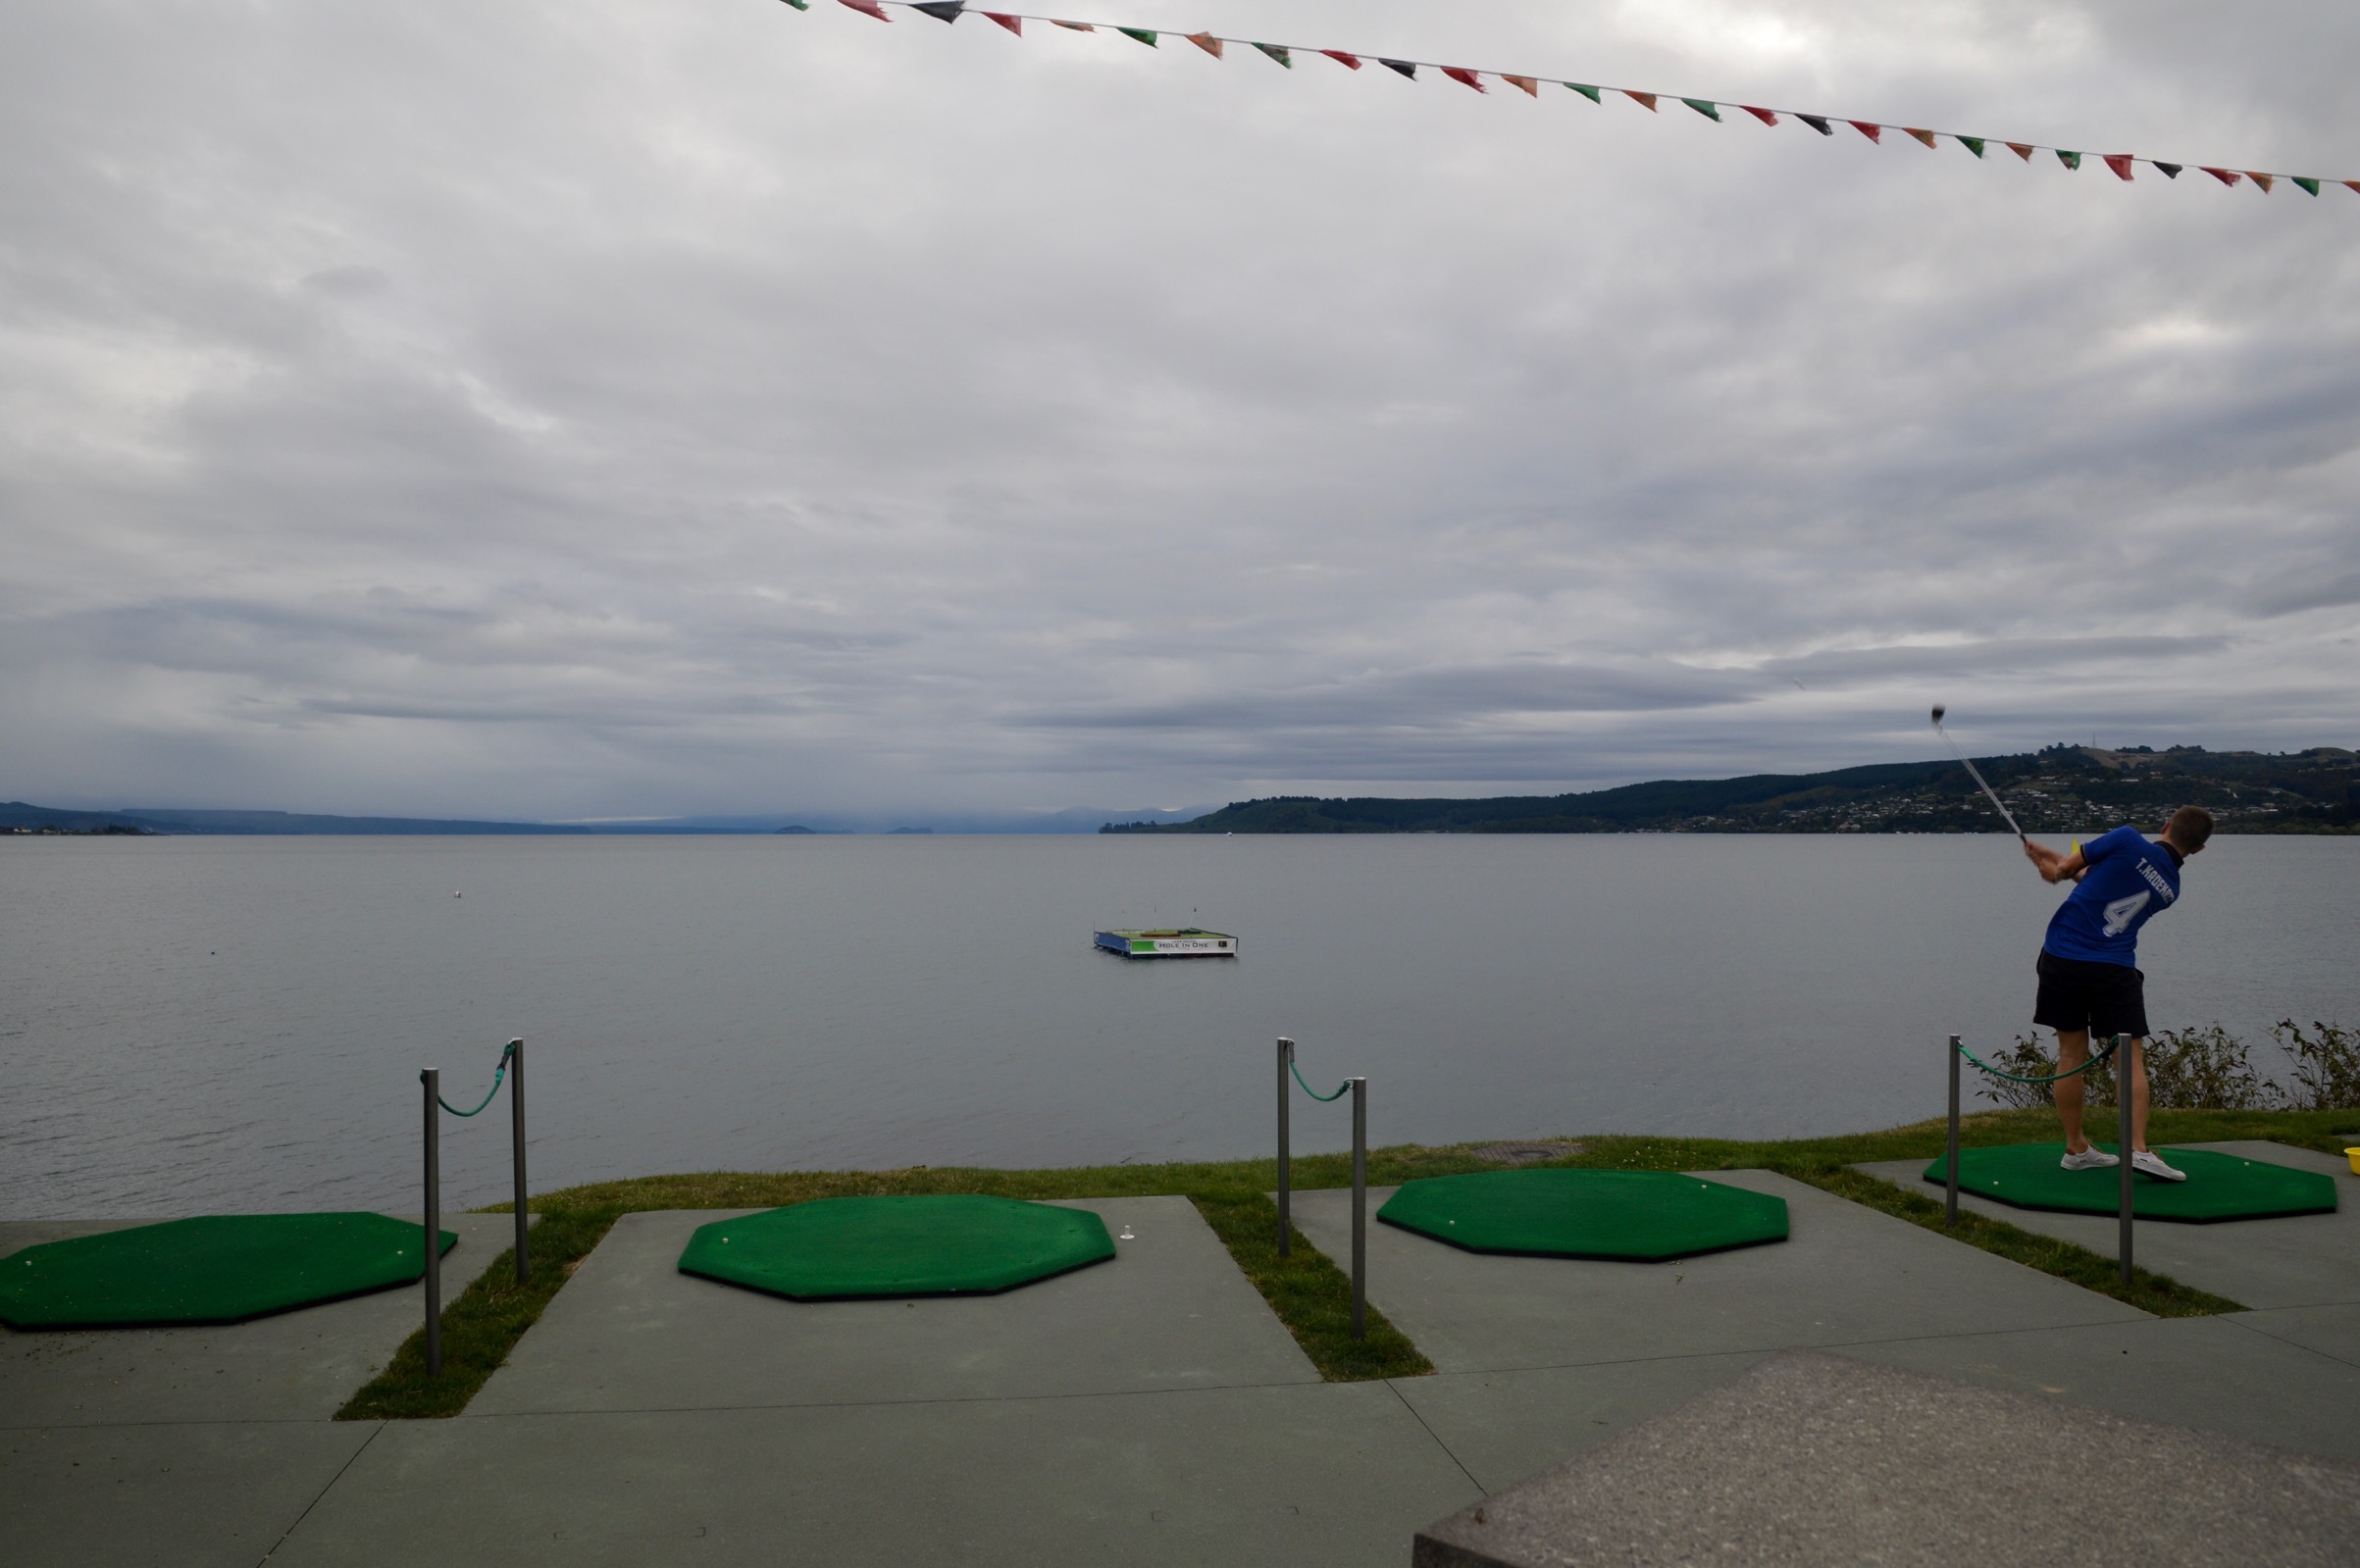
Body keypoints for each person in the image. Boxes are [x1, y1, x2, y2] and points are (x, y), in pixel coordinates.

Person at [2022, 805, 2214, 1180]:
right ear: (2198, 849)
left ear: (2165, 826)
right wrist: (2058, 862)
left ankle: (2076, 1147)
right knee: (2129, 1058)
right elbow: (2097, 881)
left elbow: (2065, 874)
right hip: (2114, 969)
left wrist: (2048, 864)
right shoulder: (2171, 889)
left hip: (2062, 957)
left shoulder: (2126, 837)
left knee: (2071, 1055)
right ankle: (2138, 1150)